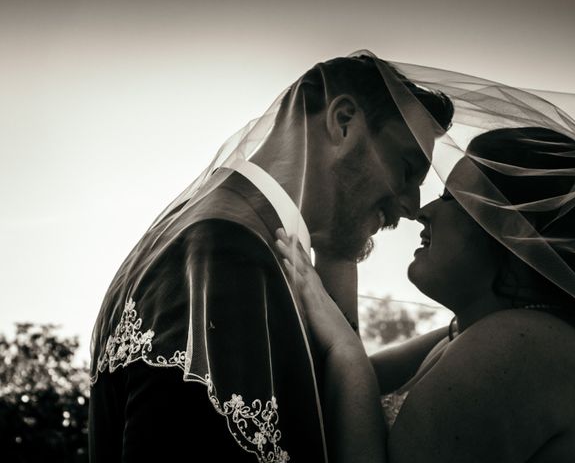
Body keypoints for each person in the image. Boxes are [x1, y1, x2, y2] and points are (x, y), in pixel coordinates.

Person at [87, 54, 454, 462]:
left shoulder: (220, 232)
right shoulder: (227, 253)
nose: (411, 206)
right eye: (406, 169)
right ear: (344, 121)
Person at [276, 126, 575, 462]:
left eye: (450, 197)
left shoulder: (522, 346)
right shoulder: (473, 331)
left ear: (508, 232)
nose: (422, 211)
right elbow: (343, 394)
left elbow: (348, 368)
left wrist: (344, 344)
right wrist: (339, 253)